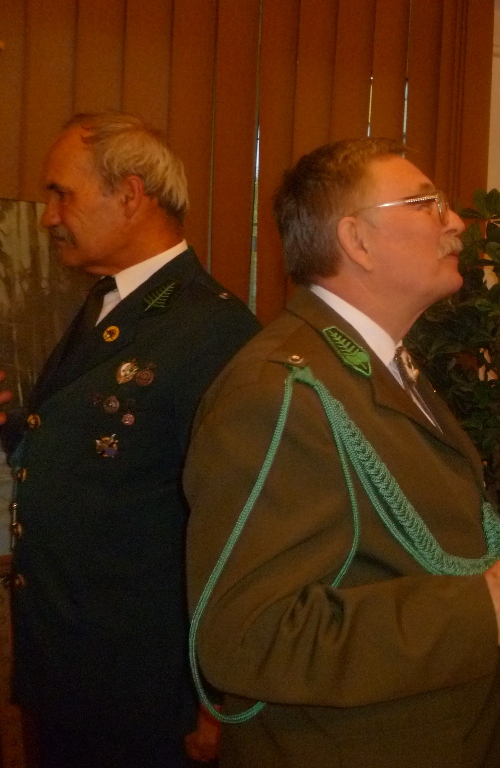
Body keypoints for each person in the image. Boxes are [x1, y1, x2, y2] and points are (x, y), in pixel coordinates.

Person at [184, 138, 500, 768]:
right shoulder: (278, 391)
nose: (455, 222)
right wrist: (477, 611)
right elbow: (246, 636)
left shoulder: (377, 365)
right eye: (426, 204)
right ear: (357, 241)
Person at [4, 112, 261, 768]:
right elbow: (93, 461)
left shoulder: (212, 331)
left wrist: (214, 697)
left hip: (144, 689)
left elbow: (236, 524)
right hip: (70, 664)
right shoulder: (107, 301)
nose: (49, 216)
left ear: (129, 195)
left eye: (63, 195)